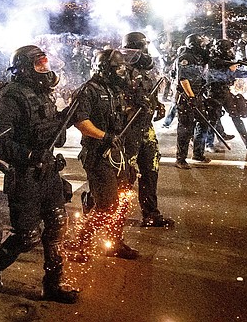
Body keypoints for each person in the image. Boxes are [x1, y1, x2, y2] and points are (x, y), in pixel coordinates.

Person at [0, 45, 79, 303]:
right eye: (39, 65)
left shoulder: (43, 94)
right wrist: (28, 155)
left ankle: (53, 284)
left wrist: (65, 118)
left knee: (57, 225)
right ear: (25, 68)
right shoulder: (11, 97)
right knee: (27, 237)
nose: (45, 70)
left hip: (48, 174)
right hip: (25, 176)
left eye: (45, 64)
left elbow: (51, 133)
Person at [70, 48, 137, 259]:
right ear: (105, 68)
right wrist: (104, 136)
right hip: (98, 154)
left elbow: (120, 114)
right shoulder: (87, 91)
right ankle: (80, 243)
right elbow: (81, 122)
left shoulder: (115, 89)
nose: (122, 72)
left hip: (119, 153)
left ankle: (115, 242)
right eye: (118, 68)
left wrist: (140, 108)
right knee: (107, 205)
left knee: (123, 199)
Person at [120, 32, 174, 228]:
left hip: (145, 127)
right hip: (127, 130)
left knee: (150, 170)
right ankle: (101, 211)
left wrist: (156, 104)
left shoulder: (142, 69)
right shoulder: (120, 69)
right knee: (124, 175)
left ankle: (151, 214)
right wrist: (131, 105)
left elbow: (145, 92)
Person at [206, 39, 247, 150]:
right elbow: (218, 76)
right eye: (228, 49)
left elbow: (234, 73)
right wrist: (230, 70)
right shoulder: (214, 61)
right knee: (213, 118)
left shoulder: (225, 61)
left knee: (235, 115)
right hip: (214, 92)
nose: (230, 51)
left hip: (225, 91)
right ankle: (209, 144)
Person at [174, 34, 211, 168]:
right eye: (201, 44)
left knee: (203, 123)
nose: (203, 46)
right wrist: (191, 96)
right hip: (187, 98)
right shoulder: (186, 57)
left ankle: (198, 153)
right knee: (185, 128)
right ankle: (180, 159)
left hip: (197, 96)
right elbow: (183, 79)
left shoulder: (197, 57)